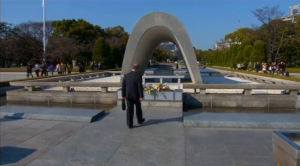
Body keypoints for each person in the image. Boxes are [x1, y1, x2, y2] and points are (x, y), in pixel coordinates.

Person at [122, 64, 145, 128]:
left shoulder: (126, 76)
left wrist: (123, 95)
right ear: (137, 69)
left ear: (131, 68)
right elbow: (139, 87)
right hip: (136, 96)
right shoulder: (138, 76)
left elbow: (123, 86)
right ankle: (140, 120)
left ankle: (129, 124)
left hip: (128, 95)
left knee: (129, 110)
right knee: (138, 108)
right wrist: (141, 96)